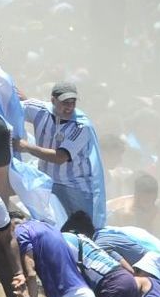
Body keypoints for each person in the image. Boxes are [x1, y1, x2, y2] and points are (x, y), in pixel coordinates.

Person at [18, 82, 104, 227]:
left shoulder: (81, 126)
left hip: (74, 185)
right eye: (65, 102)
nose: (69, 107)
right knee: (46, 221)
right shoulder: (39, 110)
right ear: (53, 100)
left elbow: (60, 157)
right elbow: (14, 103)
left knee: (83, 226)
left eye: (73, 102)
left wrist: (27, 147)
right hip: (46, 179)